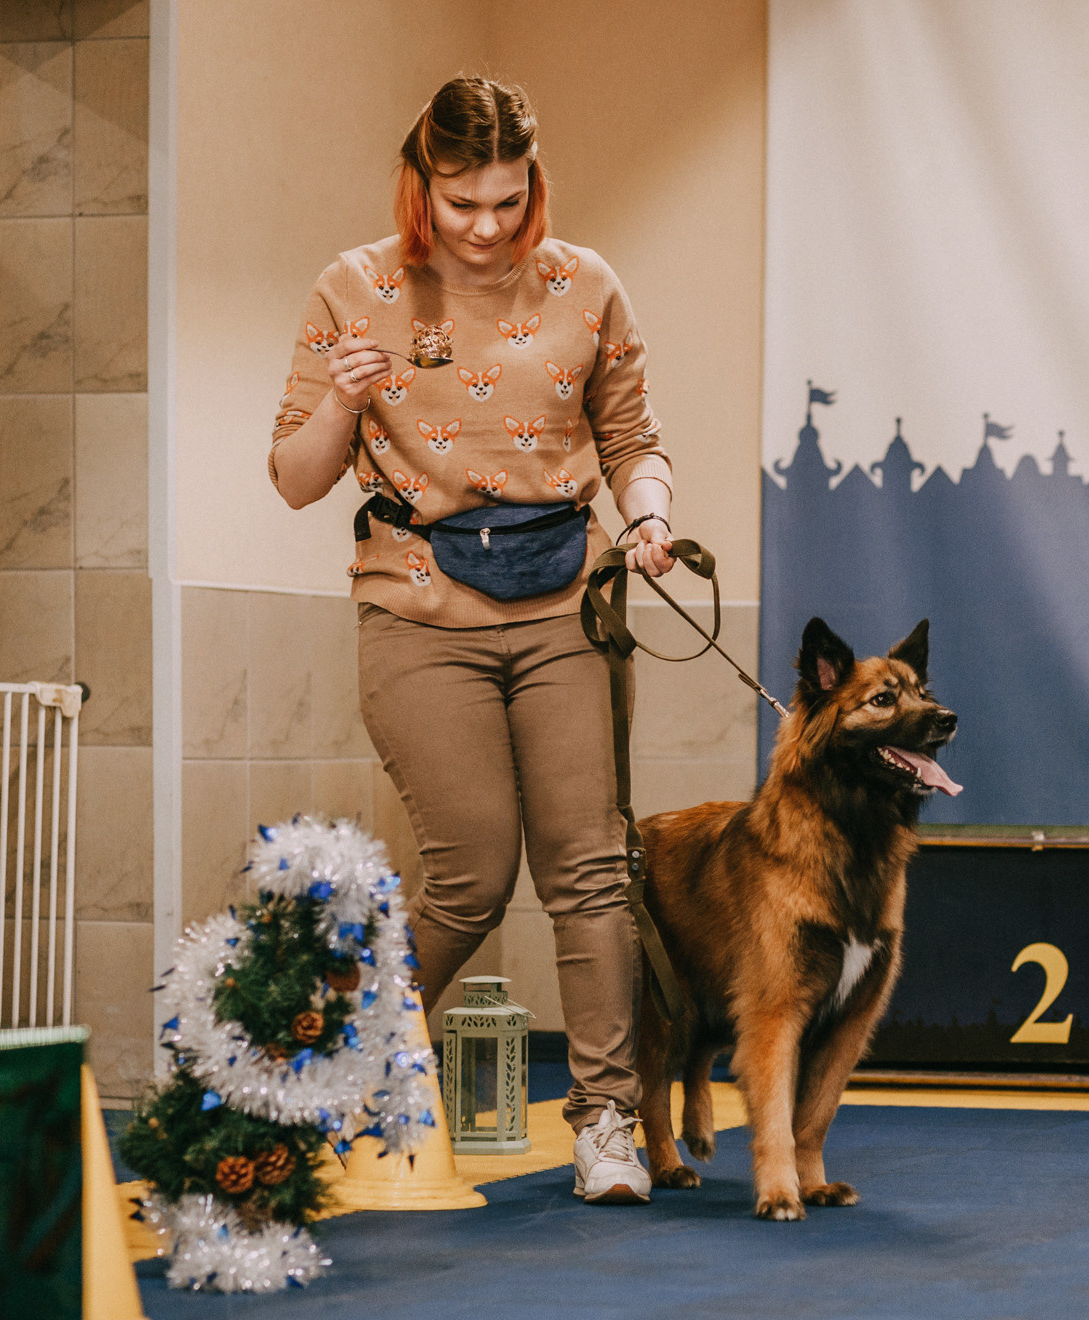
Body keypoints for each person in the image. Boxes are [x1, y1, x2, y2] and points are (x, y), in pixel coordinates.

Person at [267, 77, 674, 1205]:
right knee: (472, 871)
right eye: (461, 203)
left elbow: (636, 439)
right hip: (416, 605)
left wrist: (648, 514)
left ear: (533, 182)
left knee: (589, 869)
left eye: (508, 200)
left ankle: (606, 1122)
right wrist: (343, 405)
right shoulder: (354, 289)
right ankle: (329, 1067)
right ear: (421, 186)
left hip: (565, 603)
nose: (488, 226)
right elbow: (296, 479)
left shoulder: (587, 284)